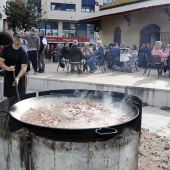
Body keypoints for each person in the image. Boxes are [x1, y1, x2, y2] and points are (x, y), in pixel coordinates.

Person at [0, 32, 29, 98]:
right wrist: (8, 68)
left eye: (19, 37)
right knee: (9, 98)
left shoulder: (23, 52)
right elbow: (1, 62)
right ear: (12, 38)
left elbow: (24, 68)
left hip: (20, 77)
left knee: (20, 97)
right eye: (15, 37)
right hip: (8, 76)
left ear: (21, 39)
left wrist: (17, 78)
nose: (17, 39)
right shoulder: (6, 49)